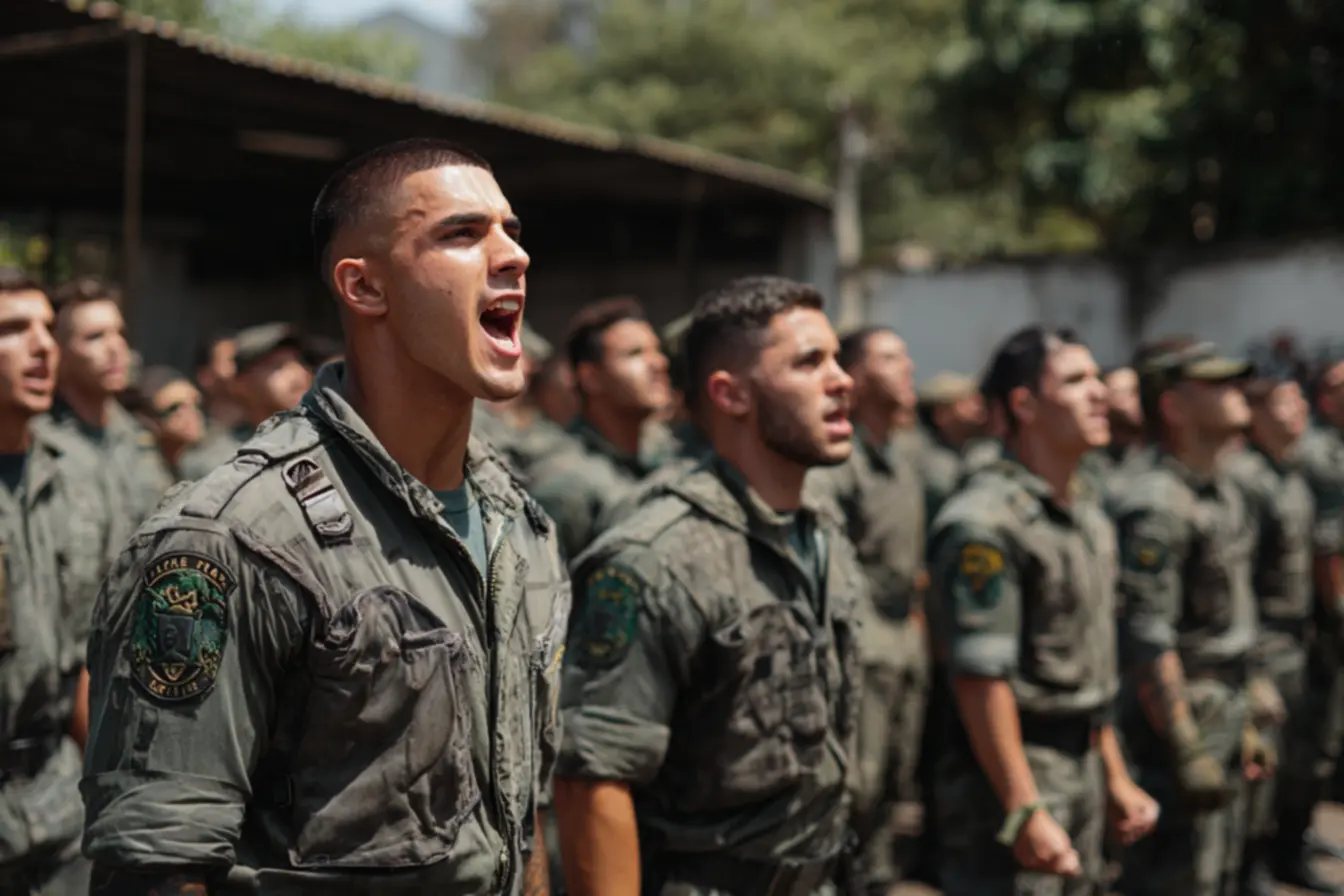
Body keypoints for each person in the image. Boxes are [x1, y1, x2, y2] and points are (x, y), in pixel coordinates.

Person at [81, 138, 569, 895]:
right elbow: (162, 862)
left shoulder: (519, 525)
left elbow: (517, 810)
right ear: (364, 287)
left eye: (511, 228)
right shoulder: (234, 538)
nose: (513, 256)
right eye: (462, 234)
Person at [552, 275, 864, 895]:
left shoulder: (822, 526)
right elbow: (595, 778)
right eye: (809, 362)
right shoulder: (657, 557)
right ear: (731, 394)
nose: (842, 379)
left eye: (835, 357)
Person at [927, 326, 1158, 896]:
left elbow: (1088, 668)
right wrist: (1023, 808)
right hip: (1015, 773)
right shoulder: (986, 522)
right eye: (1077, 380)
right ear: (1024, 404)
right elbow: (981, 679)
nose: (1100, 392)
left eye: (1098, 377)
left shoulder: (1085, 512)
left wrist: (1116, 777)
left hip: (1079, 764)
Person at [1111, 340, 1268, 896]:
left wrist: (1247, 714)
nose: (1236, 392)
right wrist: (1186, 747)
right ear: (1173, 408)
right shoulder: (1158, 503)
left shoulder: (1223, 490)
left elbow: (1229, 622)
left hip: (1222, 711)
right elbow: (1147, 636)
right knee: (1181, 879)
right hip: (1178, 724)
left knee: (1219, 872)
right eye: (1217, 385)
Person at [0, 268, 111, 896]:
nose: (43, 345)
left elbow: (87, 653)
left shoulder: (76, 478)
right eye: (14, 329)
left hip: (58, 811)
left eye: (46, 326)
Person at [810, 325, 928, 893]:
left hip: (904, 633)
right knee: (859, 779)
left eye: (904, 355)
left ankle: (876, 876)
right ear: (853, 376)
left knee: (895, 779)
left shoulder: (902, 457)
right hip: (865, 637)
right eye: (889, 357)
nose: (906, 366)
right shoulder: (842, 461)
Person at [1225, 371, 1332, 895]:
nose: (1297, 413)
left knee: (1305, 758)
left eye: (1298, 403)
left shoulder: (1292, 473)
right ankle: (1249, 868)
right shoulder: (1247, 480)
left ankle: (1290, 852)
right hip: (1264, 640)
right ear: (1255, 415)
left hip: (1300, 637)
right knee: (1261, 767)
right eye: (1282, 405)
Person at [529, 298, 670, 562]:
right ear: (590, 377)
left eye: (657, 350)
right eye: (635, 354)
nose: (658, 363)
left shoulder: (671, 458)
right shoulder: (566, 484)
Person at [43, 277, 174, 524]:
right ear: (58, 351)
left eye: (120, 333)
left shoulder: (137, 435)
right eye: (95, 337)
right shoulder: (38, 443)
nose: (116, 347)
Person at [125, 366, 207, 482]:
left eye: (196, 403)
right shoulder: (143, 473)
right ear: (148, 420)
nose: (191, 414)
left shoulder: (200, 463)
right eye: (174, 408)